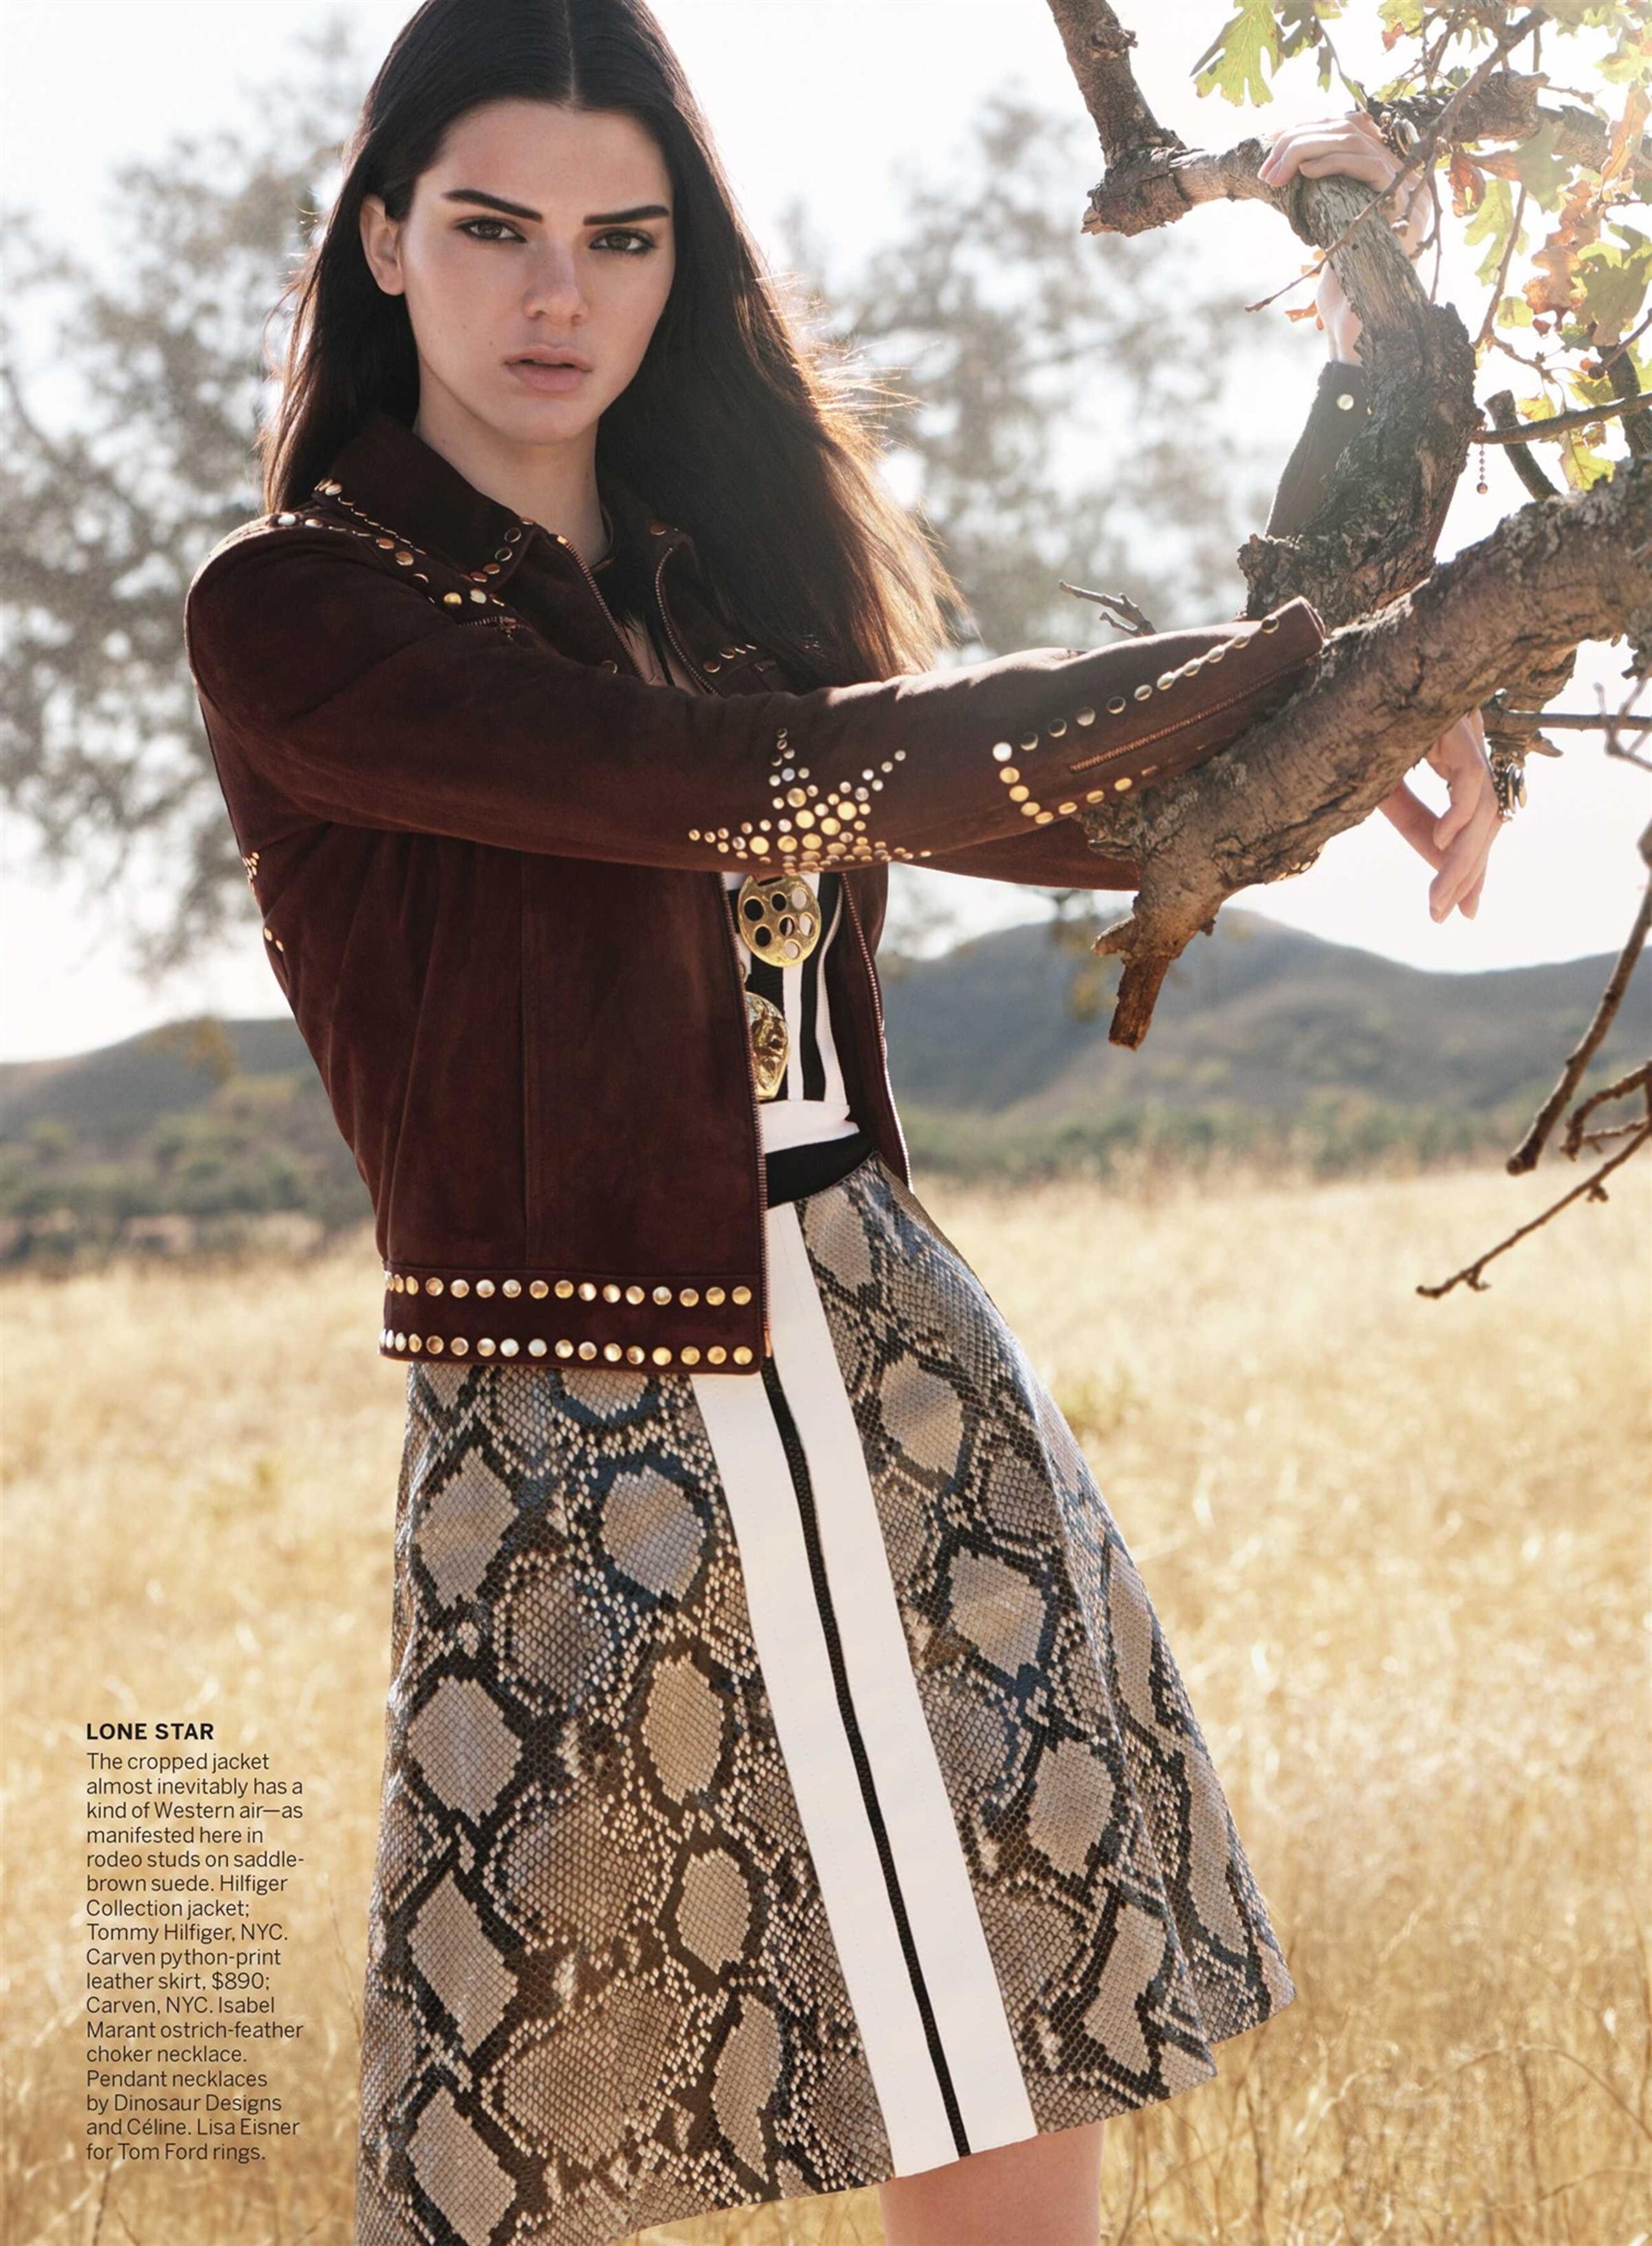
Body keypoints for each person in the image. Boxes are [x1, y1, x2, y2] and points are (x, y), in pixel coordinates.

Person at [181, 6, 1497, 2242]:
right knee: (530, 2120)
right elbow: (725, 790)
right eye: (493, 228)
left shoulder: (728, 596)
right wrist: (1270, 674)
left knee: (1006, 2008)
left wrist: (1356, 691)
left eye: (621, 239)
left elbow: (1013, 802)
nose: (558, 294)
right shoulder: (298, 612)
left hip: (899, 1364)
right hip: (571, 1416)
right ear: (384, 239)